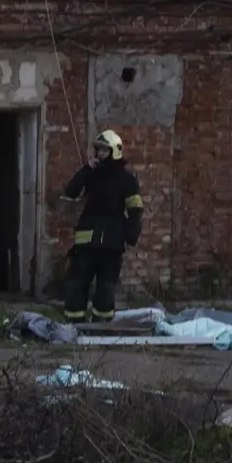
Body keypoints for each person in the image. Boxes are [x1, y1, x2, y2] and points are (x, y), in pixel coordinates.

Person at [61, 129, 144, 325]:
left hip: (111, 243)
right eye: (98, 150)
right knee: (77, 284)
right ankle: (75, 324)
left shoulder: (127, 180)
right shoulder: (91, 175)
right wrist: (85, 169)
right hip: (86, 244)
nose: (99, 154)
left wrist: (132, 234)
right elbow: (71, 192)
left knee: (106, 287)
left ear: (115, 151)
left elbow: (135, 210)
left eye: (104, 151)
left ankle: (101, 326)